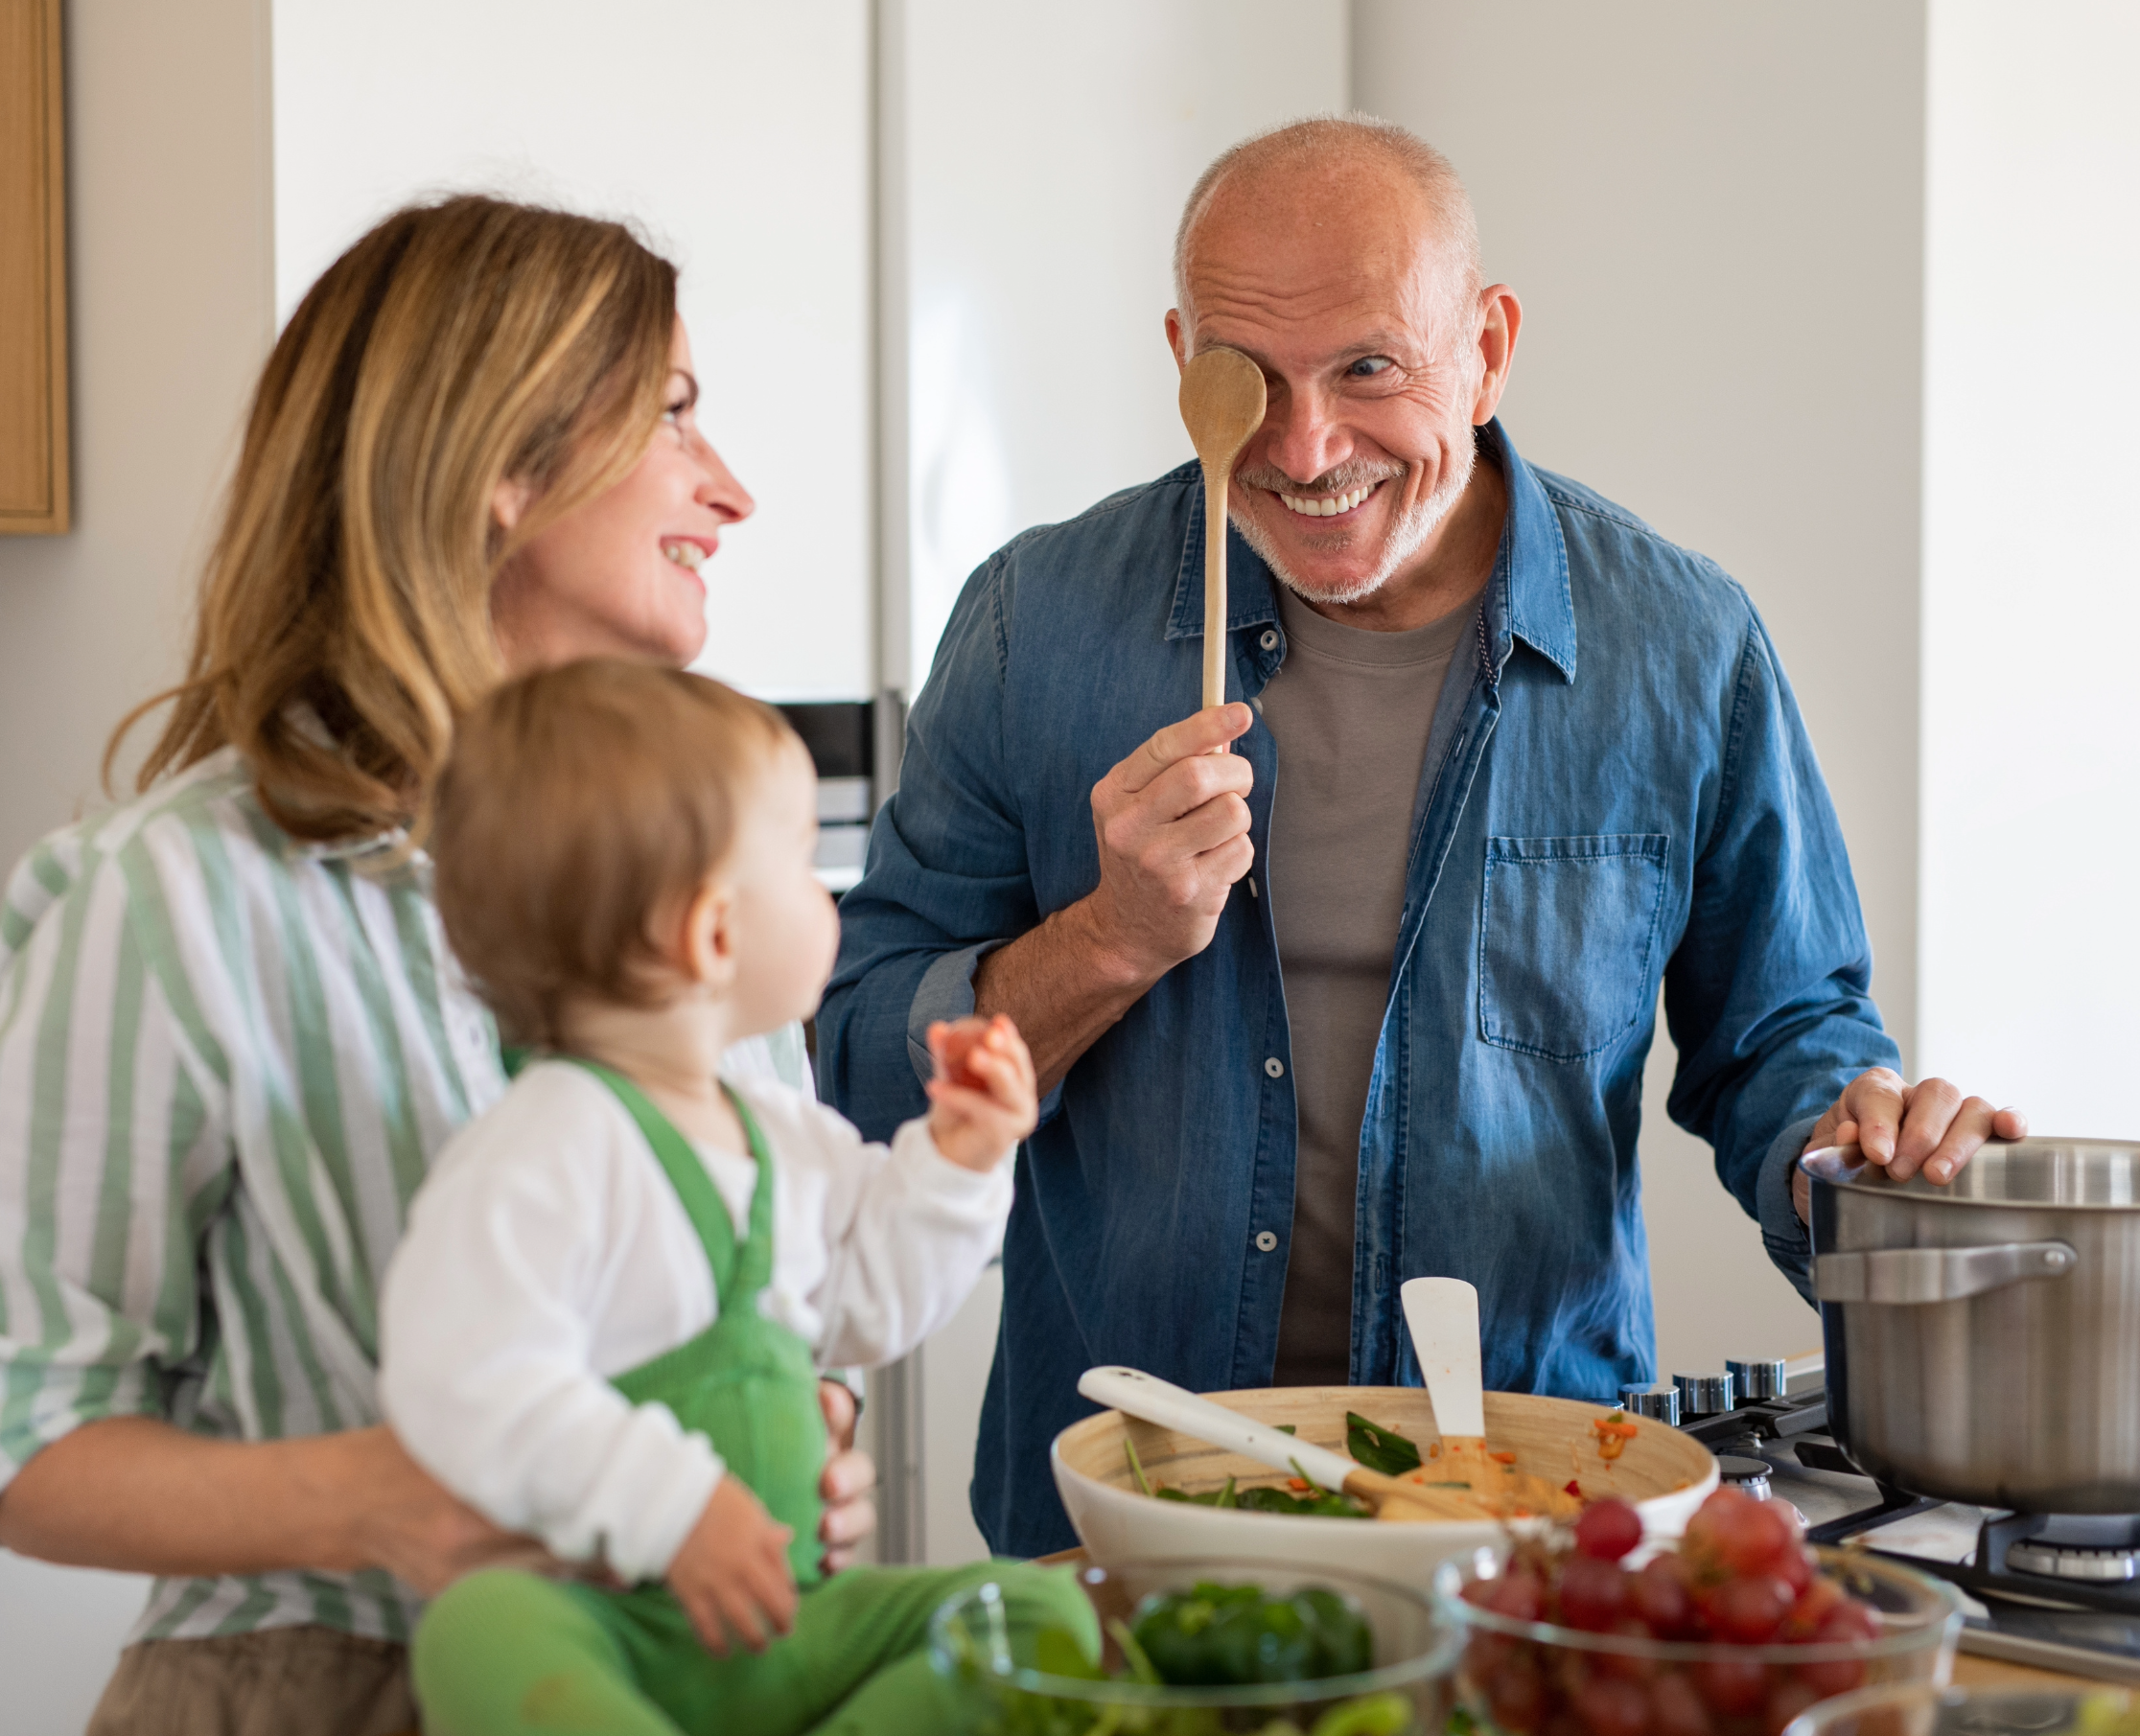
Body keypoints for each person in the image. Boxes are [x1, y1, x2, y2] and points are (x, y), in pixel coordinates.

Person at [817, 116, 2026, 1559]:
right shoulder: (1035, 624)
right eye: (1245, 378)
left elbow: (1783, 1038)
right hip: (1118, 1521)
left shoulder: (1682, 642)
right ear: (1179, 354)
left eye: (1369, 369)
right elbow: (860, 1066)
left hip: (1527, 1518)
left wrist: (1858, 1152)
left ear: (1489, 345)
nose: (1305, 446)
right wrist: (1111, 939)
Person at [0, 197, 877, 1735]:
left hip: (684, 1677)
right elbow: (15, 1437)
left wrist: (802, 1442)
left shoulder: (710, 872)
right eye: (677, 416)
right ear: (504, 466)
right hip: (316, 1687)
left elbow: (768, 1293)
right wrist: (365, 1501)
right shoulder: (175, 897)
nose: (734, 490)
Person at [384, 660, 1092, 1735]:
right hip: (615, 1624)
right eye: (807, 865)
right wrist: (672, 1509)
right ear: (713, 934)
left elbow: (872, 1300)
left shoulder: (777, 1132)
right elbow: (466, 1379)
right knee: (478, 1628)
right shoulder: (545, 1144)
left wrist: (957, 1155)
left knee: (1036, 1608)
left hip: (786, 1622)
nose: (830, 895)